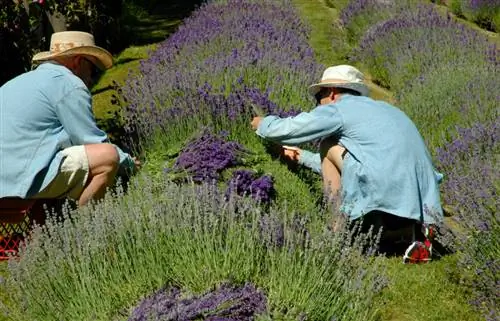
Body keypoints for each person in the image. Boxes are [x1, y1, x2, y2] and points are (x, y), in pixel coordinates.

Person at [251, 65, 443, 263]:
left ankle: (337, 233)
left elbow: (291, 130)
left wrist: (262, 124)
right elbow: (361, 162)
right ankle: (410, 232)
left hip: (384, 182)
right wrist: (301, 157)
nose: (318, 104)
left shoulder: (340, 108)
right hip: (422, 192)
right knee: (359, 161)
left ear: (332, 93)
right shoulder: (388, 109)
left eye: (319, 98)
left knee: (327, 144)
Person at [0, 31, 139, 207]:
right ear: (78, 61)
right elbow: (91, 141)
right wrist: (128, 163)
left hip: (6, 177)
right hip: (20, 180)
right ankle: (88, 228)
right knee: (107, 156)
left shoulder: (16, 82)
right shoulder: (68, 83)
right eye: (92, 68)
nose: (91, 77)